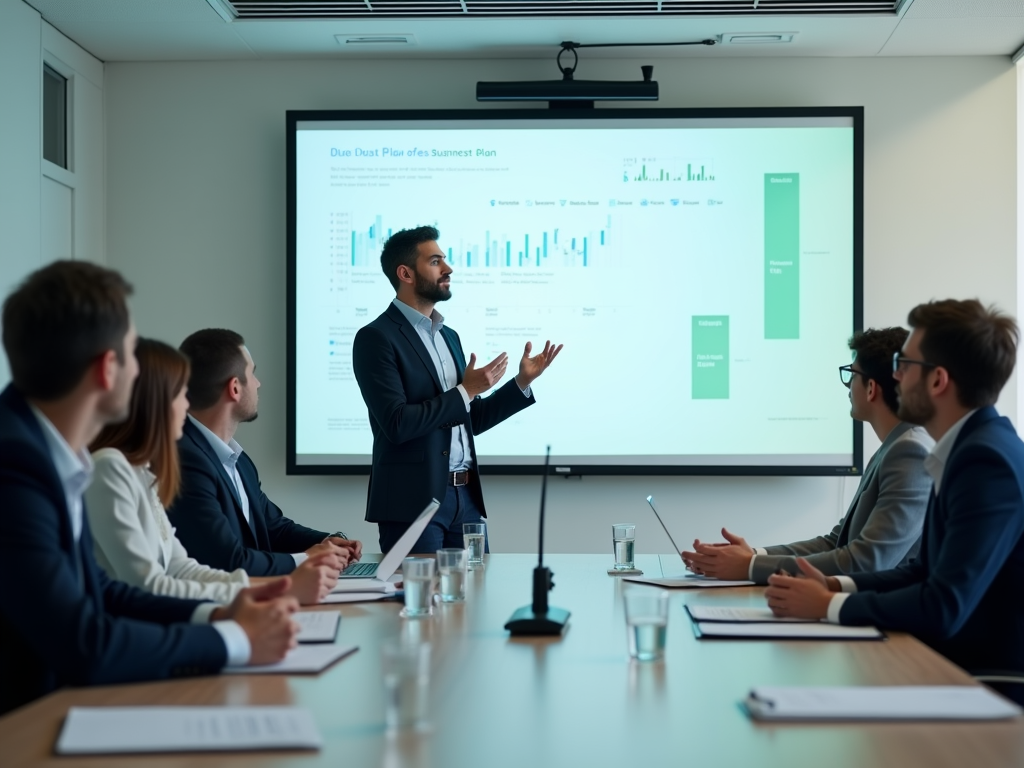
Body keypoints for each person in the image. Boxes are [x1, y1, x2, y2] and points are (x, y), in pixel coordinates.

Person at [0, 261, 299, 715]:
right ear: (107, 369)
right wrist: (233, 640)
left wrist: (223, 611)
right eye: (131, 352)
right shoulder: (16, 466)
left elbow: (101, 591)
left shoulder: (51, 454)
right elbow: (84, 642)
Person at [764, 300, 1024, 689]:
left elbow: (942, 606)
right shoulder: (968, 447)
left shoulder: (984, 462)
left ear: (937, 381)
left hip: (981, 683)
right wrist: (834, 586)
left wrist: (830, 605)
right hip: (949, 666)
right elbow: (922, 571)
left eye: (906, 364)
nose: (896, 375)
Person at [352, 226, 563, 553]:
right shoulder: (376, 338)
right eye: (435, 261)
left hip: (466, 499)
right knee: (422, 602)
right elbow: (396, 423)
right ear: (406, 273)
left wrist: (521, 383)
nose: (448, 269)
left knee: (477, 600)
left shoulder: (449, 336)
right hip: (413, 505)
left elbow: (469, 419)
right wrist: (465, 391)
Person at [85, 338, 337, 604]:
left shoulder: (145, 473)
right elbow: (149, 585)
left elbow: (182, 569)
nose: (187, 405)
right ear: (155, 400)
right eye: (181, 393)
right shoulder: (109, 468)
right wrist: (285, 584)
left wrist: (266, 590)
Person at [682, 328, 934, 584]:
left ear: (871, 388)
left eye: (851, 375)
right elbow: (835, 542)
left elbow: (867, 561)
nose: (847, 387)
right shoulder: (894, 446)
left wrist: (750, 566)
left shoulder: (910, 452)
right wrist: (754, 555)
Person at [168, 328, 361, 576]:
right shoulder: (186, 461)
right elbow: (227, 560)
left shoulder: (238, 460)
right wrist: (305, 560)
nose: (258, 384)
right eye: (253, 373)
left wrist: (328, 542)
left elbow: (273, 527)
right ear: (235, 388)